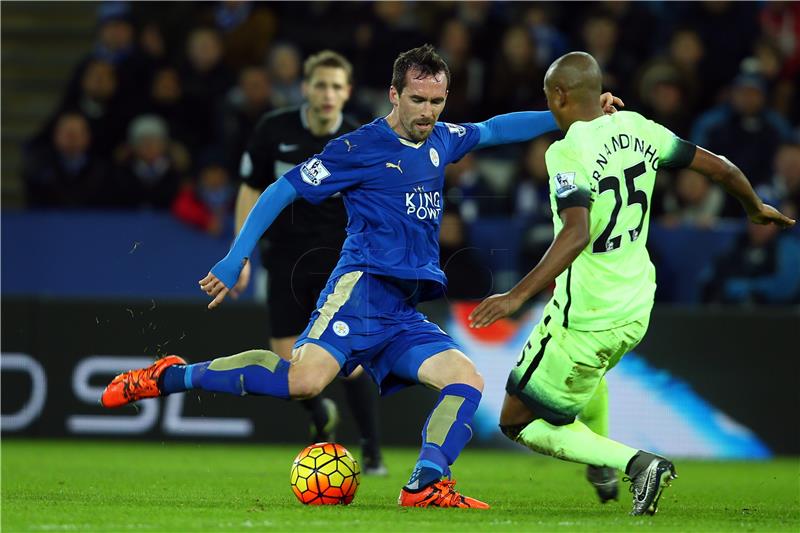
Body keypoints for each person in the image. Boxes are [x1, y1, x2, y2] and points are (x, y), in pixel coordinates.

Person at [101, 45, 622, 509]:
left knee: (466, 380)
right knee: (301, 383)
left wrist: (576, 115)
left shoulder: (442, 140)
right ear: (394, 95)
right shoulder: (357, 149)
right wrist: (237, 255)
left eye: (437, 101)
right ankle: (170, 375)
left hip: (401, 310)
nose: (428, 112)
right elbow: (283, 189)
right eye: (418, 100)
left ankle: (426, 483)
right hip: (360, 294)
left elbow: (496, 129)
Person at [468, 52, 795, 516]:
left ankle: (634, 463)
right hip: (637, 304)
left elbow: (576, 233)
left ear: (559, 96)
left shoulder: (564, 152)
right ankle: (601, 467)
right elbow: (719, 166)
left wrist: (516, 295)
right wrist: (753, 206)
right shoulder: (640, 127)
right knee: (592, 376)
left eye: (549, 98)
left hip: (586, 311)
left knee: (516, 421)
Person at [231, 50, 387, 475]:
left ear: (348, 92)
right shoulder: (273, 129)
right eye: (320, 85)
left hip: (340, 261)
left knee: (349, 360)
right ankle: (321, 416)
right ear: (305, 89)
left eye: (337, 86)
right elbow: (250, 191)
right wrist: (239, 253)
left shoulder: (361, 139)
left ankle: (373, 452)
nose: (328, 94)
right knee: (288, 364)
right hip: (282, 258)